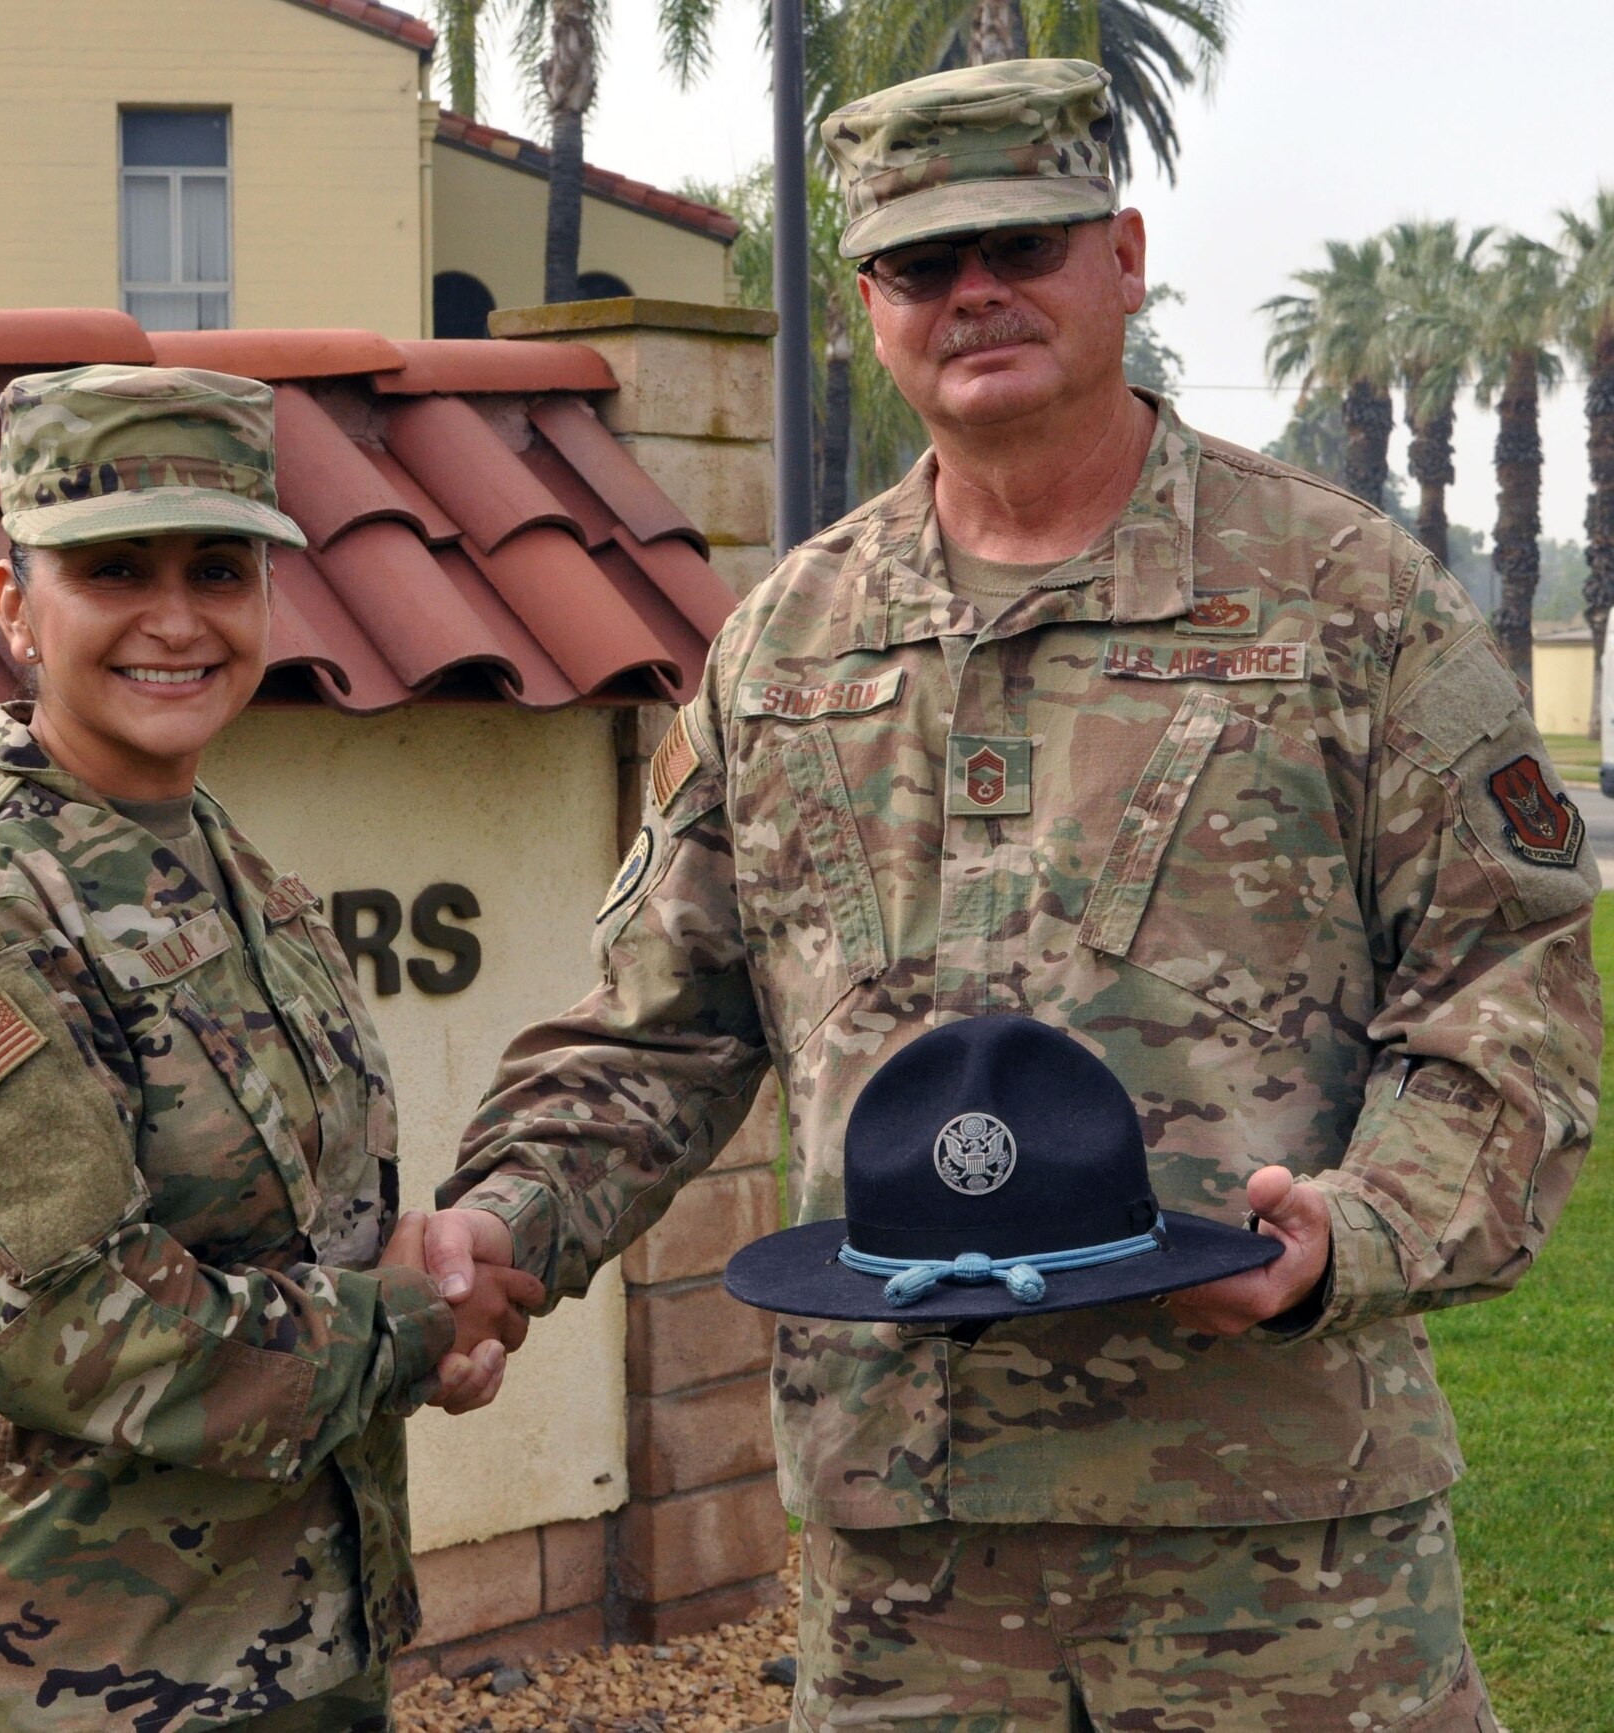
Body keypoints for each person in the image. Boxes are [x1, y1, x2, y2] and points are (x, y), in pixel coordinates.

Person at [428, 59, 1602, 1732]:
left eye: (1024, 241)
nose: (974, 289)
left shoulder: (1345, 602)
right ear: (869, 306)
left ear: (1122, 255)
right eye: (922, 261)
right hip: (908, 1552)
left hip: (1275, 1544)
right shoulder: (790, 646)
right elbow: (658, 1029)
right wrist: (502, 1226)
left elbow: (1513, 997)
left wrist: (1365, 1225)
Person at [0, 364, 540, 1733]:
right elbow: (77, 1322)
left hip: (283, 1643)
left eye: (220, 567)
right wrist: (405, 1326)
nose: (176, 617)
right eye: (113, 568)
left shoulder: (223, 872)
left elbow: (309, 1238)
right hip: (74, 1674)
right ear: (16, 606)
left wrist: (418, 1289)